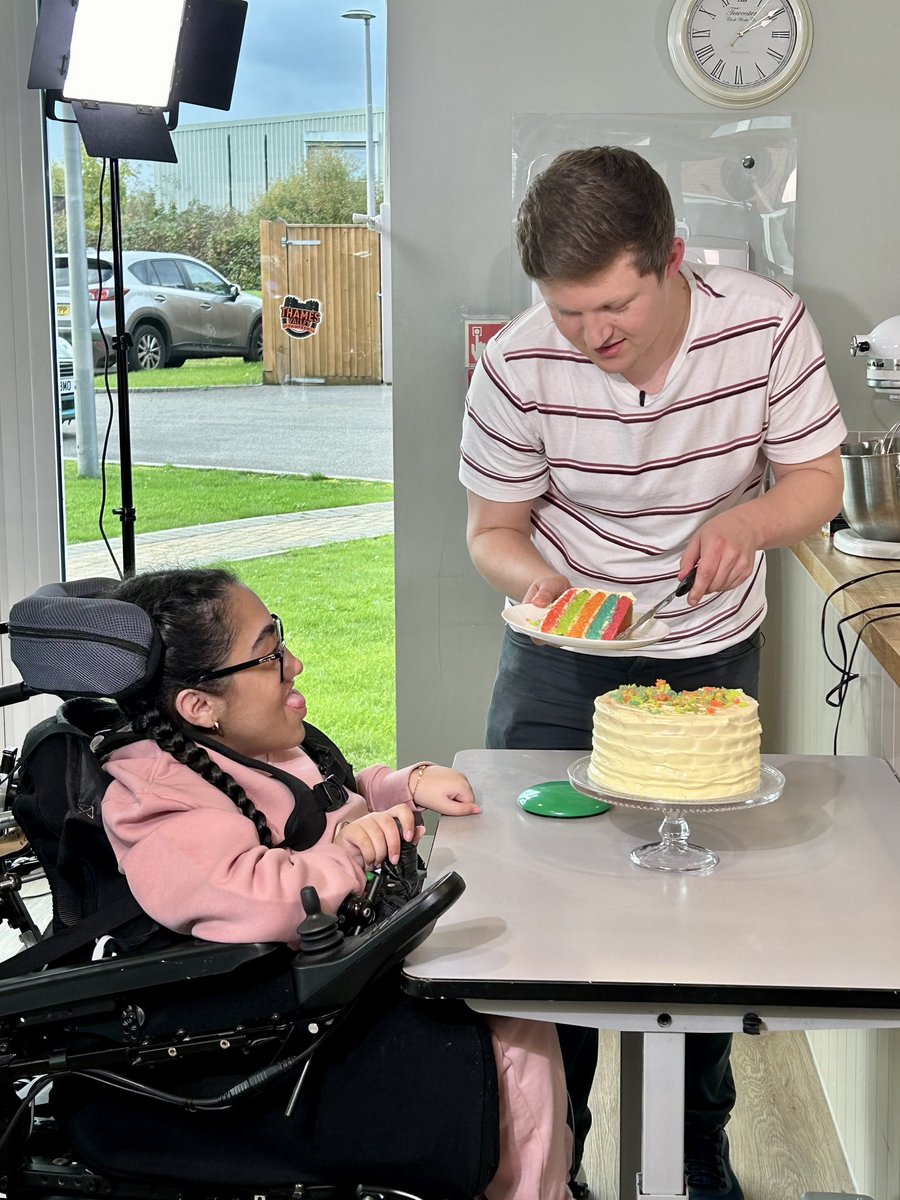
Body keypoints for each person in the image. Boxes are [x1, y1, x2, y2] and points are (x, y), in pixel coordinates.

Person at [459, 146, 847, 1200]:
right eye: (570, 313)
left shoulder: (764, 322)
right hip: (555, 661)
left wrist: (746, 521)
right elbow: (492, 530)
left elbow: (815, 478)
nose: (593, 337)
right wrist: (543, 586)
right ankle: (550, 1163)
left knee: (703, 916)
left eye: (615, 306)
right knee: (546, 913)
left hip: (707, 653)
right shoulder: (517, 365)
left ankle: (693, 1158)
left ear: (672, 258)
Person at [99, 566, 572, 1200]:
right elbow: (252, 897)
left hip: (354, 951)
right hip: (283, 1009)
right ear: (198, 705)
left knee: (536, 982)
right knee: (514, 1019)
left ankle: (550, 1173)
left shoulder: (245, 742)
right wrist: (349, 854)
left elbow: (323, 801)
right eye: (269, 655)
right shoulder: (159, 798)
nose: (293, 663)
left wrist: (402, 785)